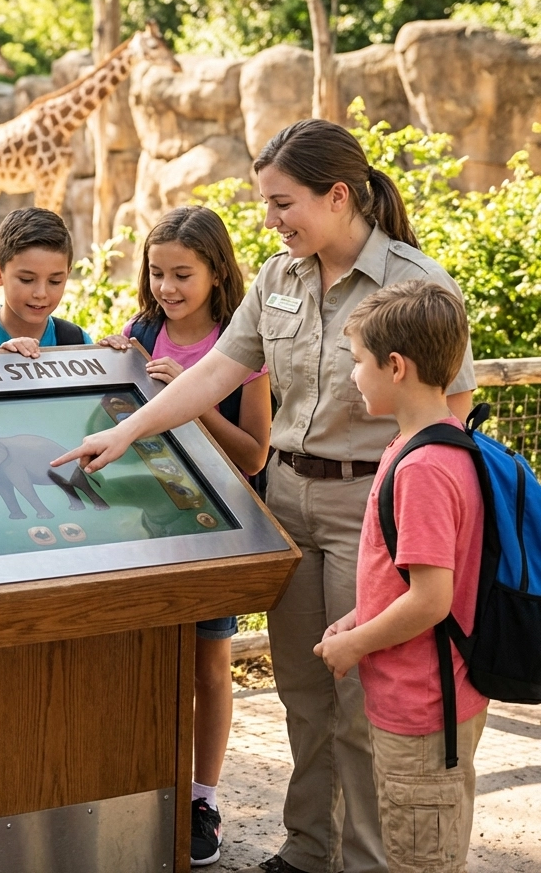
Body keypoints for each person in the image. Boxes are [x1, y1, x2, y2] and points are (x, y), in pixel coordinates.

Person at [53, 119, 476, 873]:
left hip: (370, 506)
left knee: (361, 697)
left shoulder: (415, 283)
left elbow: (454, 411)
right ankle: (310, 848)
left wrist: (406, 504)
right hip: (286, 501)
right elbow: (216, 371)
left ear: (338, 195)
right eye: (266, 204)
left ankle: (365, 861)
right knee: (303, 690)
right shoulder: (280, 278)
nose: (270, 220)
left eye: (283, 204)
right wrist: (125, 432)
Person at [103, 205, 271, 866]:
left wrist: (192, 400)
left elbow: (254, 454)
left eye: (182, 274)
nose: (167, 288)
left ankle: (203, 798)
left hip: (215, 529)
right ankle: (142, 784)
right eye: (157, 273)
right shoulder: (140, 333)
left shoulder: (241, 345)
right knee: (141, 659)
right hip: (145, 524)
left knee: (208, 664)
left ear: (216, 272)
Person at [315, 280, 487, 873]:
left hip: (424, 709)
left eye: (358, 361)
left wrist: (356, 645)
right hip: (423, 701)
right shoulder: (427, 444)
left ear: (395, 366)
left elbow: (431, 599)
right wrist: (356, 618)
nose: (353, 375)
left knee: (421, 861)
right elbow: (402, 578)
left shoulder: (423, 468)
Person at [0, 206, 92, 357]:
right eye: (27, 280)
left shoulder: (78, 343)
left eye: (55, 281)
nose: (41, 293)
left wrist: (116, 357)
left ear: (67, 275)